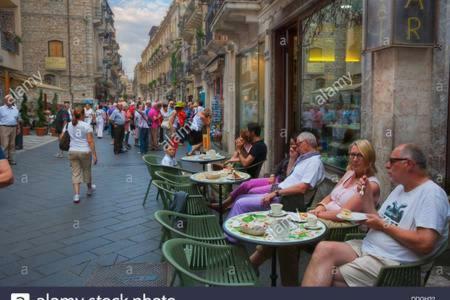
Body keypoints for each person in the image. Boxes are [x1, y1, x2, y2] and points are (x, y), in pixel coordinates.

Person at [302, 144, 450, 287]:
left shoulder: (432, 194)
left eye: (392, 161)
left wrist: (383, 226)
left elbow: (425, 244)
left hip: (391, 262)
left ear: (408, 164)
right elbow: (377, 219)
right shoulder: (400, 189)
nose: (386, 165)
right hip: (368, 247)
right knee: (323, 248)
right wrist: (366, 196)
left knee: (324, 274)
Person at [250, 139, 381, 286]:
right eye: (352, 155)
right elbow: (331, 196)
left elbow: (344, 213)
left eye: (360, 155)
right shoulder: (350, 173)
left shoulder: (371, 184)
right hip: (324, 216)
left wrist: (317, 214)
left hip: (344, 225)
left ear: (369, 157)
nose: (355, 159)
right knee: (284, 231)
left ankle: (254, 264)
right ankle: (277, 277)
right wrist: (319, 206)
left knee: (288, 232)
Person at [225, 132, 325, 221]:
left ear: (306, 143)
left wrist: (275, 193)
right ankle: (244, 230)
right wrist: (292, 158)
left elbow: (302, 188)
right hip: (281, 192)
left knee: (240, 203)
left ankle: (230, 236)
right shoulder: (304, 159)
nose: (297, 147)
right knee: (241, 197)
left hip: (287, 199)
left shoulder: (314, 162)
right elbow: (288, 176)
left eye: (298, 144)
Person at [211, 134, 299, 212]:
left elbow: (245, 163)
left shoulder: (258, 146)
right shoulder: (250, 145)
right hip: (275, 178)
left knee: (250, 190)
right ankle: (226, 203)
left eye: (294, 145)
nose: (291, 147)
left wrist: (239, 150)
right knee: (246, 184)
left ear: (252, 133)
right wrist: (273, 175)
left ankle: (231, 205)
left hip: (255, 173)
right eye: (290, 144)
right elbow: (278, 166)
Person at [63, 107, 97, 203]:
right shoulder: (86, 126)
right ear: (82, 115)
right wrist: (94, 155)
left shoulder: (69, 125)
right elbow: (90, 141)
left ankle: (76, 195)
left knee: (75, 173)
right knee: (87, 170)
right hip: (85, 151)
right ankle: (89, 189)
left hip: (73, 151)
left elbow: (62, 136)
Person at [0, 96, 20, 165]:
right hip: (4, 128)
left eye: (12, 100)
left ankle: (11, 160)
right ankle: (3, 161)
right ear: (5, 101)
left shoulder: (15, 109)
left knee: (12, 145)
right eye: (10, 100)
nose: (11, 101)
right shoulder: (1, 109)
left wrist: (18, 128)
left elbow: (17, 119)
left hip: (13, 128)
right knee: (5, 144)